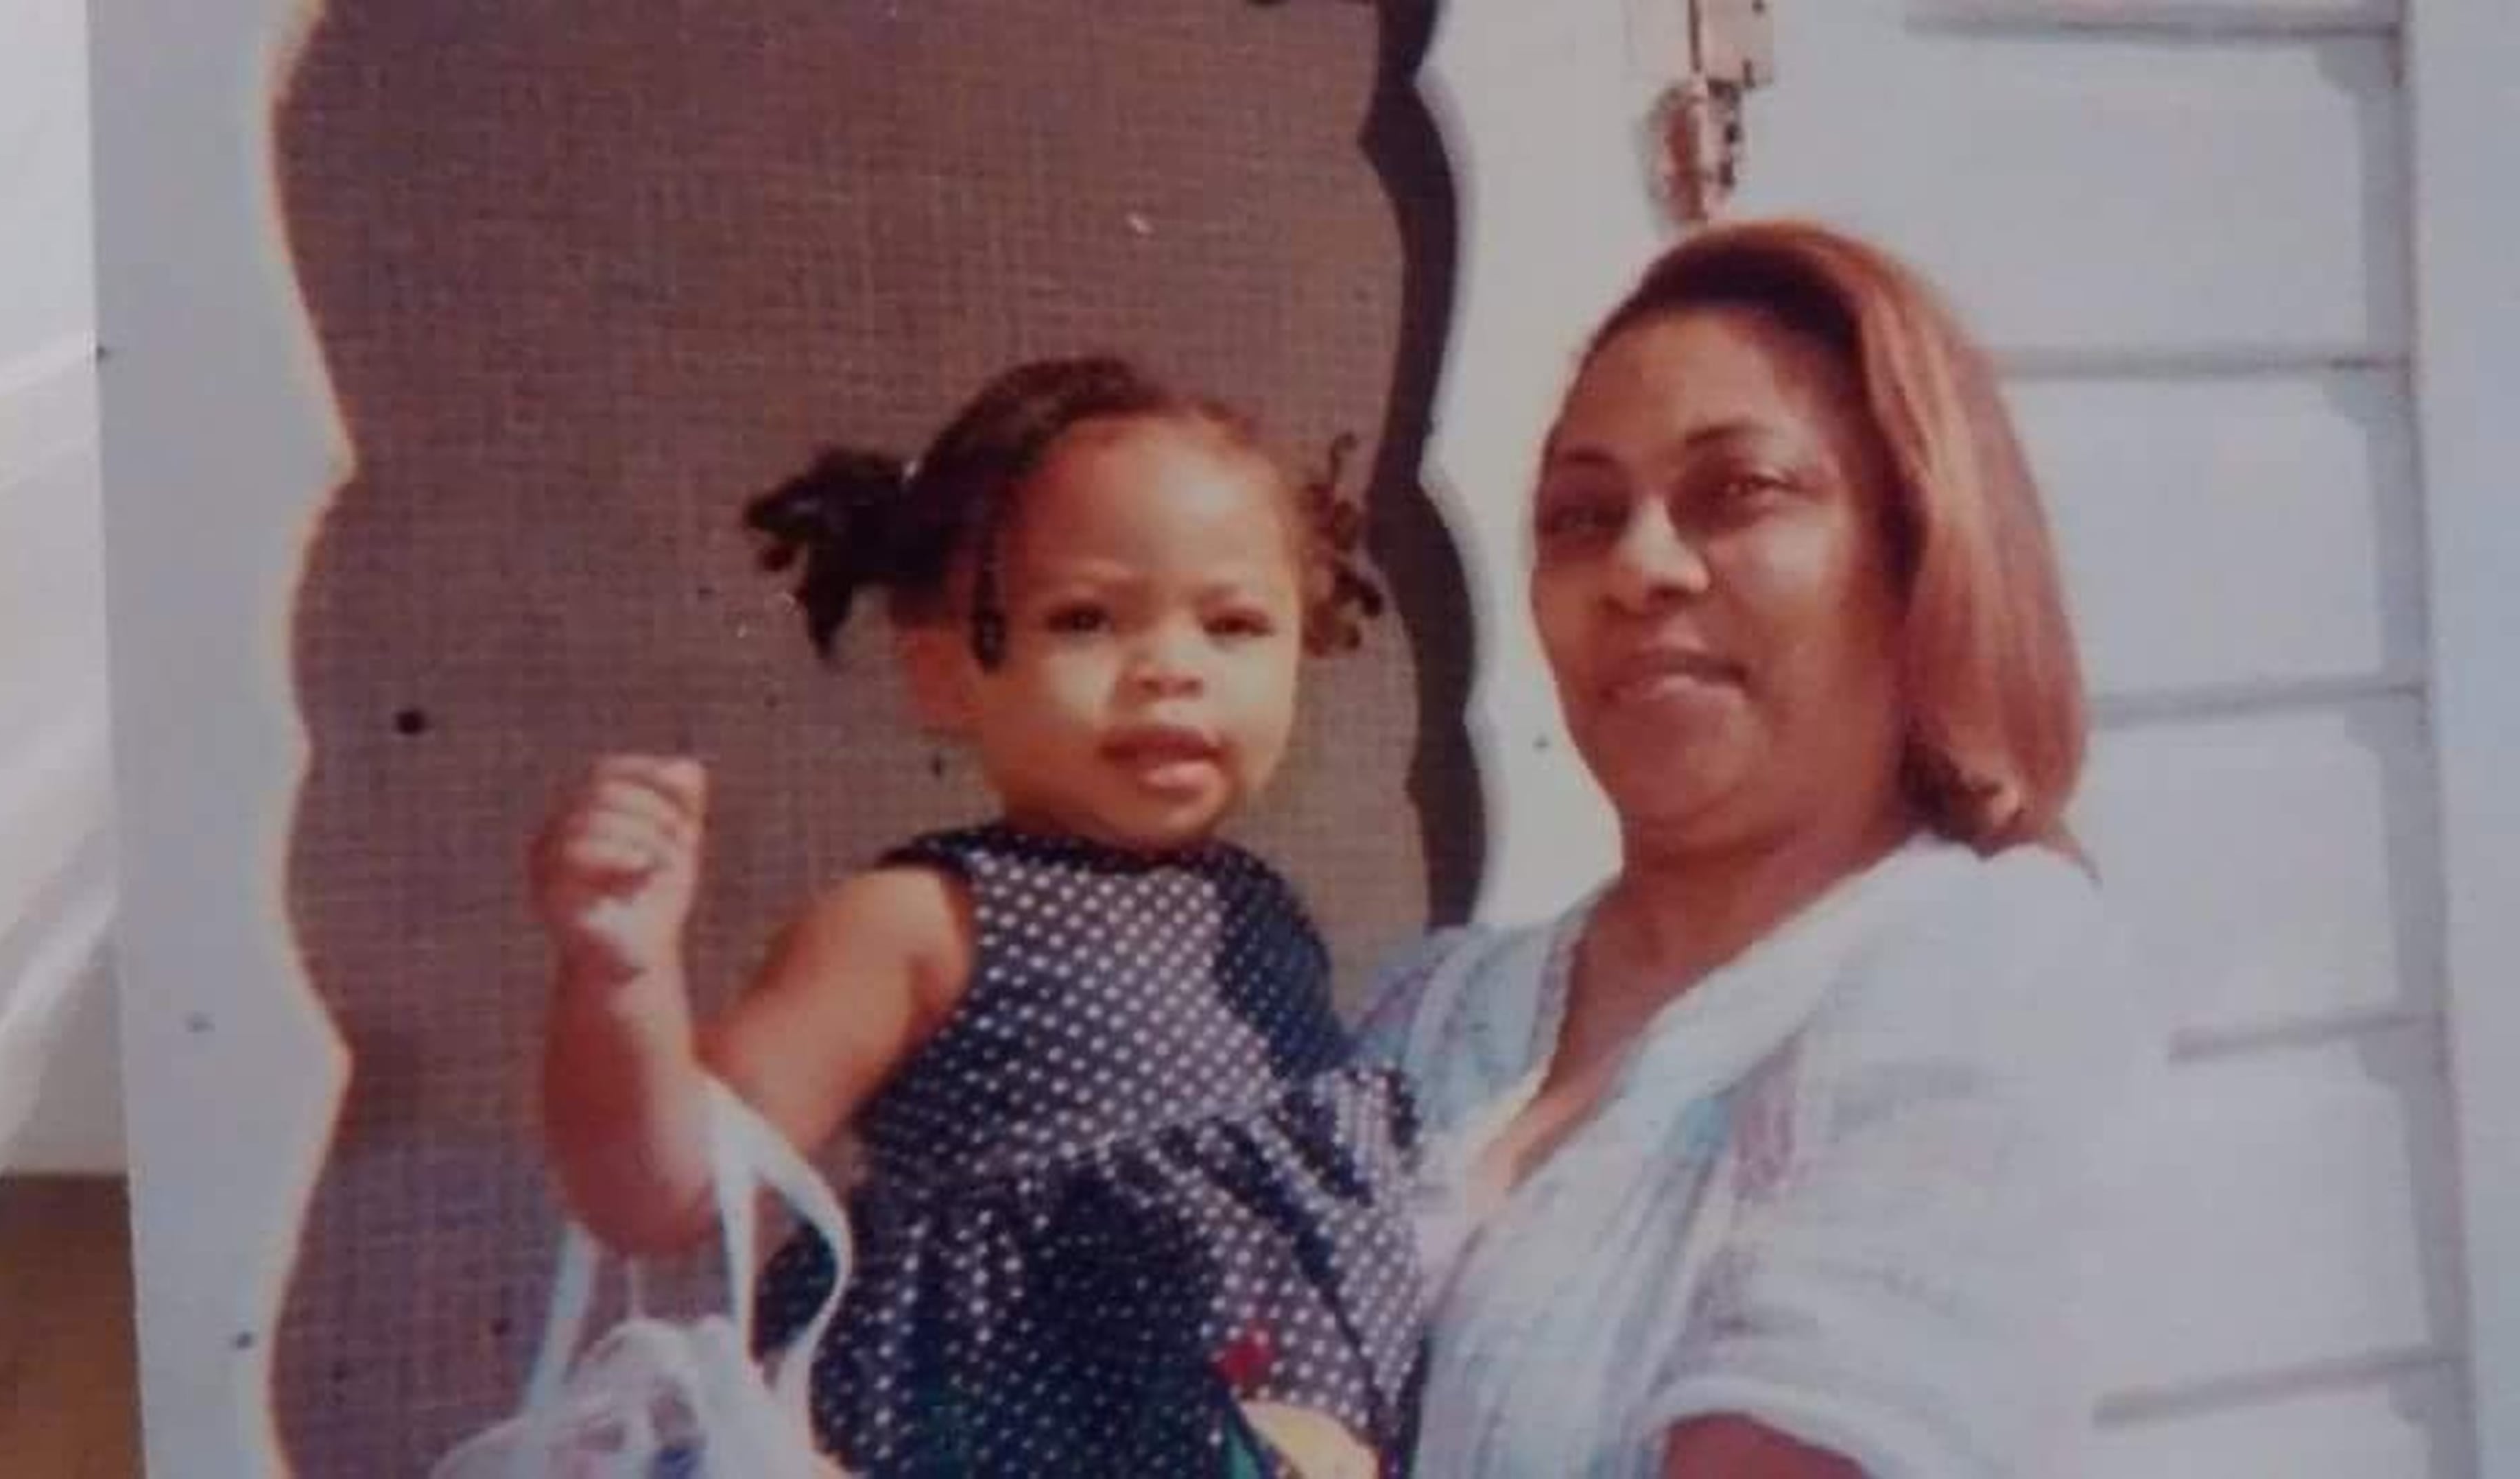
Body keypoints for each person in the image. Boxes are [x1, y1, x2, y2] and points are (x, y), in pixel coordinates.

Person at [527, 354, 1425, 1478]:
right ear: (948, 674)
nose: (1171, 670)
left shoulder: (1265, 922)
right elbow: (660, 1185)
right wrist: (620, 972)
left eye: (1235, 624)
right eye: (1088, 619)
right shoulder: (925, 921)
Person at [1360, 219, 2154, 1478]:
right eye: (1581, 516)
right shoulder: (1428, 1014)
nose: (1640, 568)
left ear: (1918, 552)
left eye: (1737, 492)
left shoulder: (1988, 958)